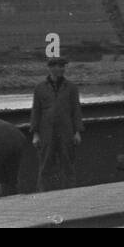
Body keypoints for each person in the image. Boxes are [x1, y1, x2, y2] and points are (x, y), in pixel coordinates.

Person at [30, 56, 82, 191]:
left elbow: (76, 109)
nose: (61, 69)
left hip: (66, 130)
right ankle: (44, 194)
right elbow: (36, 110)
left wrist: (77, 132)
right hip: (46, 131)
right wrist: (35, 134)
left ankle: (70, 193)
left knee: (67, 163)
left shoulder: (71, 87)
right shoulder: (40, 88)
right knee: (45, 163)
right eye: (58, 66)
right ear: (50, 68)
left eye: (63, 66)